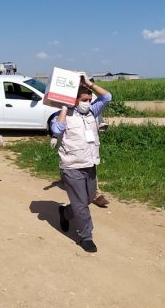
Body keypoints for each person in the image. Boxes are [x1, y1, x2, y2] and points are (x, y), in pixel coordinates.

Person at [50, 74, 111, 253]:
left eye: (90, 99)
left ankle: (65, 213)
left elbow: (107, 97)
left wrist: (89, 84)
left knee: (88, 198)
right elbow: (56, 129)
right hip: (71, 166)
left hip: (90, 163)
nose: (88, 101)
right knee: (81, 205)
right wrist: (64, 105)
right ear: (75, 100)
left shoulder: (92, 112)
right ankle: (86, 236)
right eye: (84, 99)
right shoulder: (63, 115)